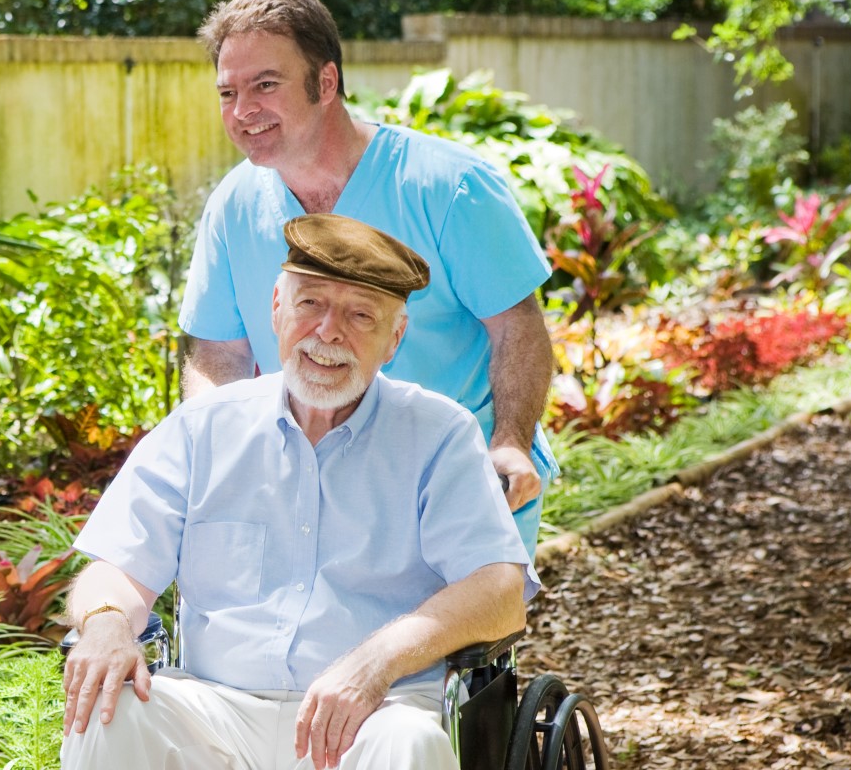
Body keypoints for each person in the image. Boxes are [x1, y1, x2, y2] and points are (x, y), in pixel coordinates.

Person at [61, 214, 538, 770]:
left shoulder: (438, 434)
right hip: (215, 710)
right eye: (310, 304)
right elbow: (115, 566)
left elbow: (500, 592)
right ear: (276, 310)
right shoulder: (202, 428)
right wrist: (107, 623)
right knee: (111, 712)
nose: (328, 332)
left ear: (395, 338)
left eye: (360, 314)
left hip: (371, 713)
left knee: (409, 744)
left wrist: (376, 661)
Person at [176, 0, 556, 552]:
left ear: (325, 82)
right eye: (228, 92)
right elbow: (218, 354)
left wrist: (510, 443)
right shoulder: (232, 206)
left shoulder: (448, 186)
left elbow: (517, 327)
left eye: (266, 85)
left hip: (458, 484)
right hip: (313, 496)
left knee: (444, 643)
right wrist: (221, 449)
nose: (243, 111)